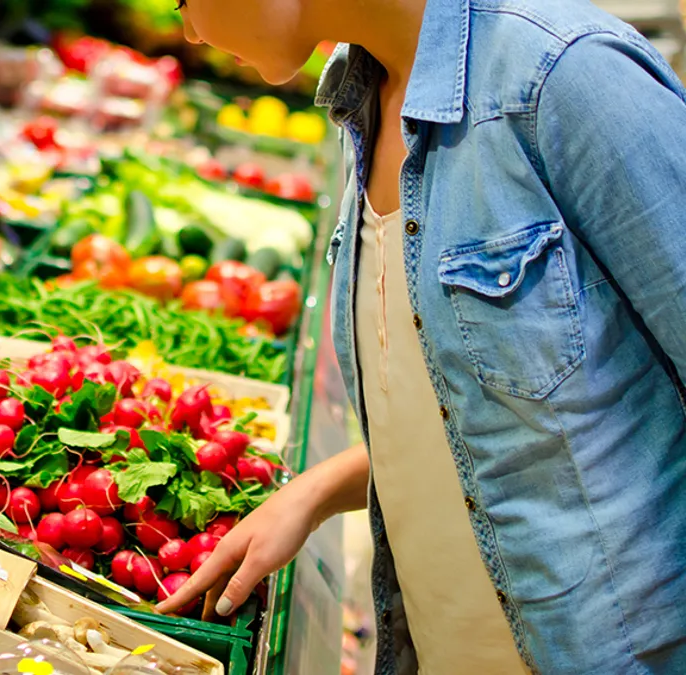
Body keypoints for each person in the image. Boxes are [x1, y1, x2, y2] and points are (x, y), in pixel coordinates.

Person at [156, 0, 686, 673]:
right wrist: (318, 489)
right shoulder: (366, 98)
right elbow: (488, 404)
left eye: (182, 1)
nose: (191, 32)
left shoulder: (565, 78)